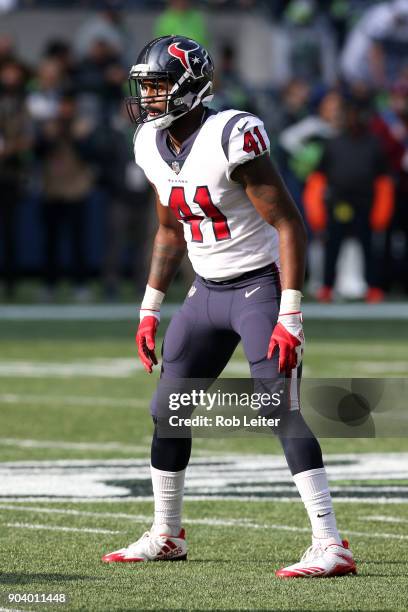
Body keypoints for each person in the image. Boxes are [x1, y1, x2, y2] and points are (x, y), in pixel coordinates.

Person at [101, 35, 357, 578]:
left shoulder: (232, 135)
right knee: (166, 410)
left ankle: (330, 543)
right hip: (206, 292)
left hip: (258, 286)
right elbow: (170, 230)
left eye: (159, 85)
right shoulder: (149, 141)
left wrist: (291, 312)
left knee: (278, 407)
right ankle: (167, 534)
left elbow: (289, 223)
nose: (148, 97)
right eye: (145, 86)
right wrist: (149, 308)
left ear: (192, 87)